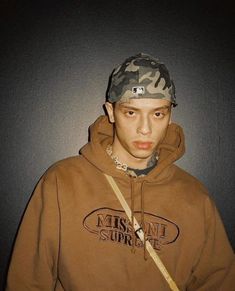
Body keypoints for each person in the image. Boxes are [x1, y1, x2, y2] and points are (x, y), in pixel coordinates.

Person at [6, 53, 234, 290]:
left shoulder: (195, 197)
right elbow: (28, 280)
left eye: (158, 114)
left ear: (169, 116)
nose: (145, 129)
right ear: (111, 112)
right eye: (131, 112)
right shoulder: (61, 182)